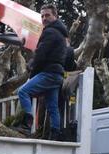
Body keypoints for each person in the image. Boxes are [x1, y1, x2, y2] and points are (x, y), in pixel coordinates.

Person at [15, 4, 69, 140]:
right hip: (57, 75)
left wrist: (31, 67)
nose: (44, 18)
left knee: (23, 91)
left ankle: (27, 124)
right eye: (42, 16)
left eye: (47, 15)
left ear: (55, 16)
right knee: (52, 106)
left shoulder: (50, 32)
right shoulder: (62, 35)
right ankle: (55, 134)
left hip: (49, 73)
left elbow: (41, 53)